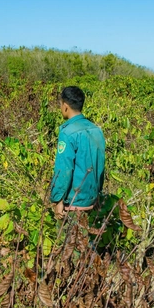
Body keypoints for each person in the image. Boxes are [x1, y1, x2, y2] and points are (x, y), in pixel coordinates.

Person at [50, 86, 105, 217]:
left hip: (73, 203)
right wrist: (97, 194)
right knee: (86, 236)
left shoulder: (67, 133)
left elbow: (64, 169)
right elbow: (100, 165)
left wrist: (58, 199)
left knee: (70, 237)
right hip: (91, 200)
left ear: (65, 106)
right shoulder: (96, 130)